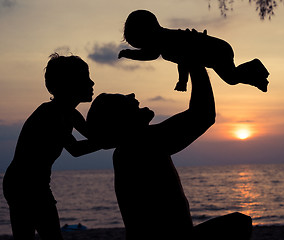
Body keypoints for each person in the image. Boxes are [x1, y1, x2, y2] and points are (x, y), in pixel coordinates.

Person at [86, 65, 252, 240]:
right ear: (120, 120)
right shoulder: (139, 144)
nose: (132, 95)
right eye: (123, 100)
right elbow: (202, 115)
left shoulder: (131, 147)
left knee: (238, 223)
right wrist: (196, 63)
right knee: (238, 224)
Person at [2, 53, 101, 240]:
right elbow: (76, 149)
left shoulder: (70, 113)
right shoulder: (51, 114)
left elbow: (94, 135)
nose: (92, 83)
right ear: (70, 84)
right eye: (86, 78)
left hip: (34, 183)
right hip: (23, 184)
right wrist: (110, 141)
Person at [118, 9, 269, 92]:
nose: (143, 48)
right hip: (217, 49)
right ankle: (257, 78)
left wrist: (182, 82)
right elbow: (150, 55)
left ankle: (255, 68)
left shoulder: (167, 41)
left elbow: (183, 60)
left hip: (216, 50)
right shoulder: (164, 41)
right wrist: (129, 54)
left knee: (231, 78)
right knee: (231, 78)